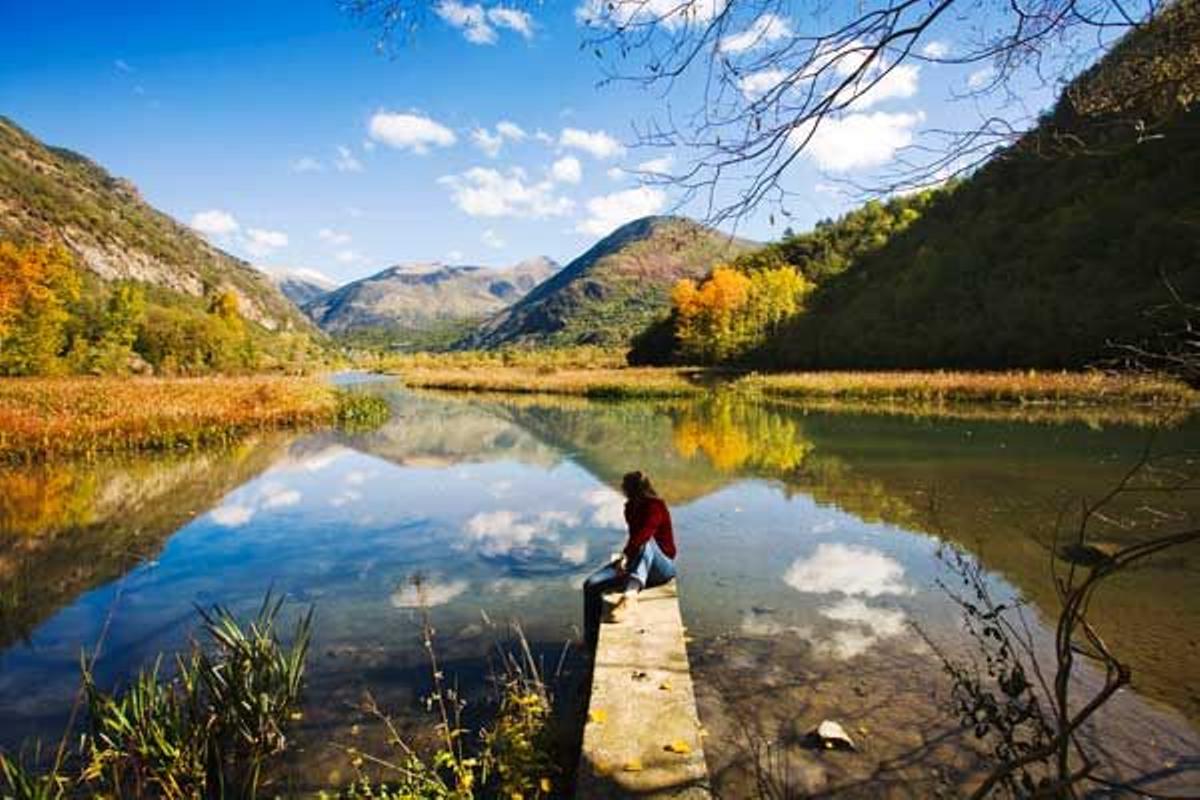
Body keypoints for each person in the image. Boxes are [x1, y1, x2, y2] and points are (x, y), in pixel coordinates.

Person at [582, 470, 677, 649]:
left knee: (646, 543)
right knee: (591, 584)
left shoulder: (656, 506)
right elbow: (635, 539)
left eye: (625, 488)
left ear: (632, 489)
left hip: (662, 568)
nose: (623, 491)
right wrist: (624, 559)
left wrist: (625, 556)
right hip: (638, 562)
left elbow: (643, 535)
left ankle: (630, 596)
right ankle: (590, 640)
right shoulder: (629, 508)